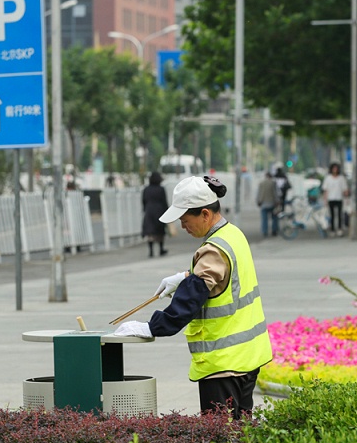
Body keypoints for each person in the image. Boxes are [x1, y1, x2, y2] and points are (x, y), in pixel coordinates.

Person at [114, 176, 273, 419]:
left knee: (220, 440)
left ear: (206, 214)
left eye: (185, 220)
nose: (183, 226)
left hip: (223, 364)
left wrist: (152, 327)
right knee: (241, 433)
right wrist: (184, 276)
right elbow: (222, 277)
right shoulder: (233, 235)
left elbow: (190, 300)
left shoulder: (213, 249)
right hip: (248, 358)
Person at [142, 172, 169, 257]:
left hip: (149, 211)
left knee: (150, 232)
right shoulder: (161, 189)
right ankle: (161, 249)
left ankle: (151, 251)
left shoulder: (146, 189)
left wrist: (145, 209)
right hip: (159, 211)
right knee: (160, 231)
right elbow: (164, 201)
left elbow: (143, 200)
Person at [322, 163, 349, 237]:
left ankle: (340, 229)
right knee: (332, 215)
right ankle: (333, 229)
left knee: (340, 214)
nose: (335, 170)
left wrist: (347, 198)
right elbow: (325, 190)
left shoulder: (341, 178)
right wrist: (325, 199)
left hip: (339, 198)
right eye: (334, 168)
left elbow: (345, 189)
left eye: (336, 168)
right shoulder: (328, 178)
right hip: (331, 198)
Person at [256, 171, 279, 237]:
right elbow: (275, 193)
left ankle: (264, 231)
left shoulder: (261, 183)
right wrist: (277, 201)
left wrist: (258, 201)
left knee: (264, 219)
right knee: (274, 218)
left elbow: (258, 193)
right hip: (272, 203)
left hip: (263, 204)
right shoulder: (273, 183)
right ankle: (274, 231)